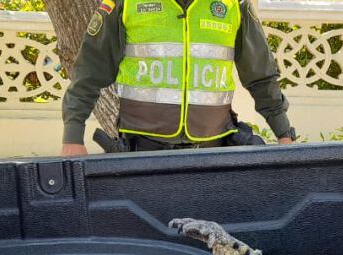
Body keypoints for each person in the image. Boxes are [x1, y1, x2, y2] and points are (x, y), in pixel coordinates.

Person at [60, 0, 296, 154]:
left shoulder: (234, 4)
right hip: (142, 152)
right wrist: (73, 136)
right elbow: (89, 72)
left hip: (214, 151)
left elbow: (261, 75)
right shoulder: (126, 3)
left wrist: (283, 134)